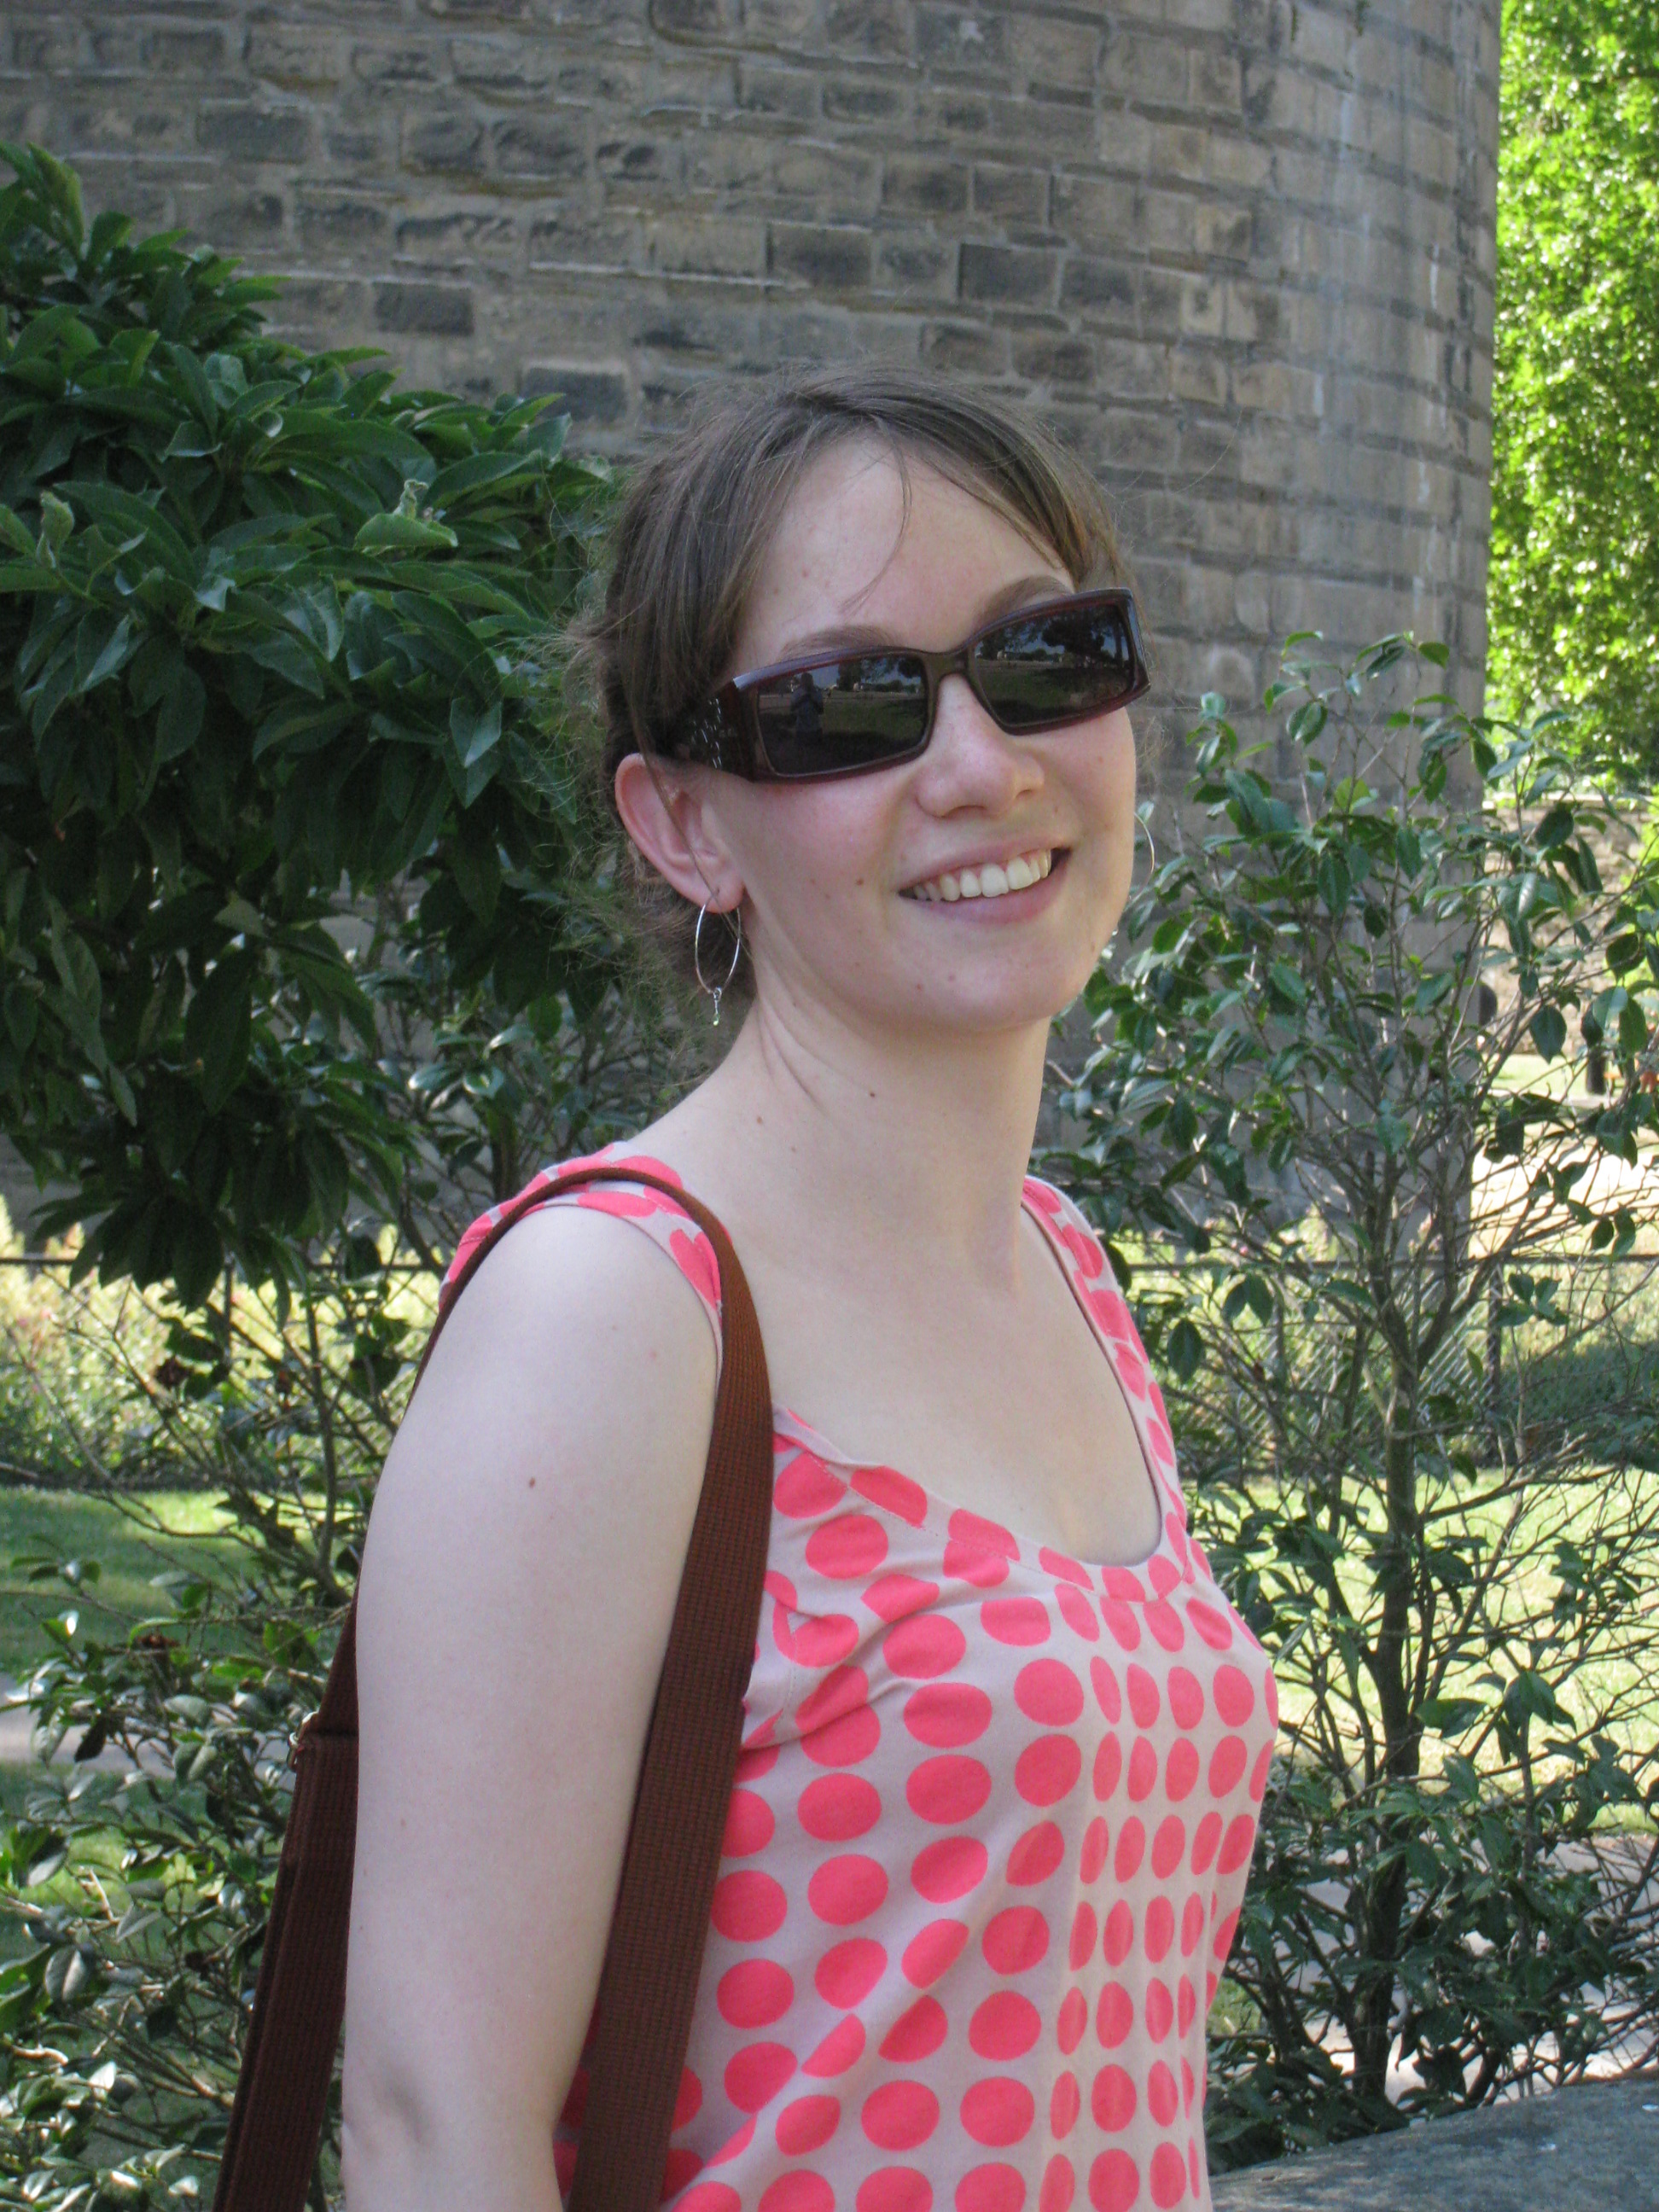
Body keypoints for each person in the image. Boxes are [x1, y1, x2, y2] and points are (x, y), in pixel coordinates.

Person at [340, 364, 1278, 2212]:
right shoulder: (617, 1314)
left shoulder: (1066, 1276)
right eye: (851, 704)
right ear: (685, 826)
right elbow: (436, 2128)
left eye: (1047, 658)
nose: (981, 765)